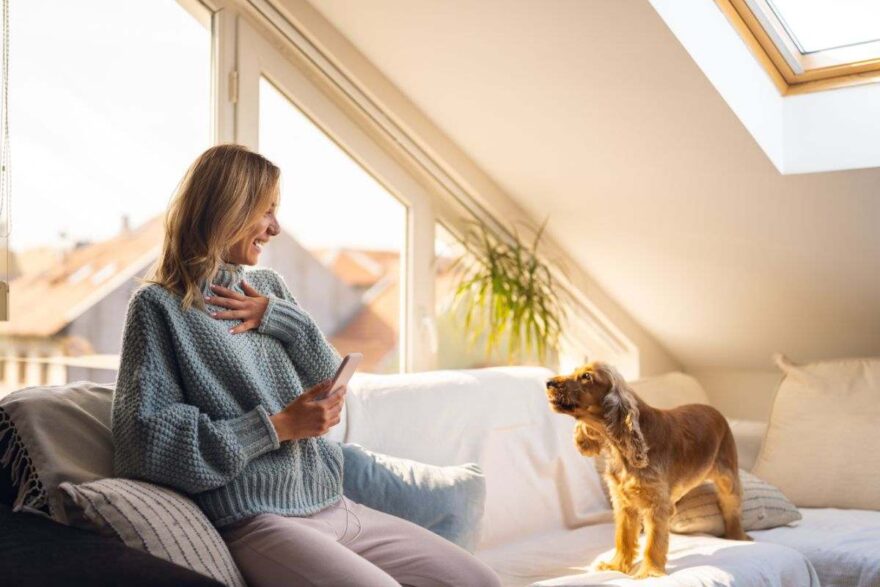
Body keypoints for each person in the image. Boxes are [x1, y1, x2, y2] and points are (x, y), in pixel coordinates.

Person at [111, 143, 501, 587]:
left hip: (332, 503)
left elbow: (328, 381)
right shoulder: (158, 307)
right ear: (228, 210)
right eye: (266, 211)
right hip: (257, 518)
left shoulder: (268, 287)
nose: (275, 227)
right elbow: (147, 446)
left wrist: (282, 319)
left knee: (478, 580)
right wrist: (276, 427)